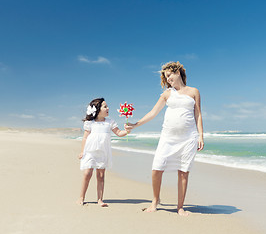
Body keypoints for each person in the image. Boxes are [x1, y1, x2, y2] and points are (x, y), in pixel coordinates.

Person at [125, 61, 204, 216]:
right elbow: (153, 113)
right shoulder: (167, 93)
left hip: (188, 138)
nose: (167, 79)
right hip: (168, 138)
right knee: (157, 169)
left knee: (183, 172)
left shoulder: (194, 91)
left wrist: (201, 135)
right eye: (165, 77)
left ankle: (180, 207)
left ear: (178, 72)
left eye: (169, 75)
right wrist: (135, 125)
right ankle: (155, 200)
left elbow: (198, 114)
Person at [77, 98, 130, 206]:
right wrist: (82, 151)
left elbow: (119, 133)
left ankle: (100, 199)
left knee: (101, 176)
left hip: (103, 152)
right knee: (87, 173)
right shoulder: (90, 123)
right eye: (105, 106)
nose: (108, 108)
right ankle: (81, 197)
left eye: (107, 106)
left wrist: (127, 131)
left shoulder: (110, 122)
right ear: (97, 109)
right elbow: (85, 138)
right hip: (90, 151)